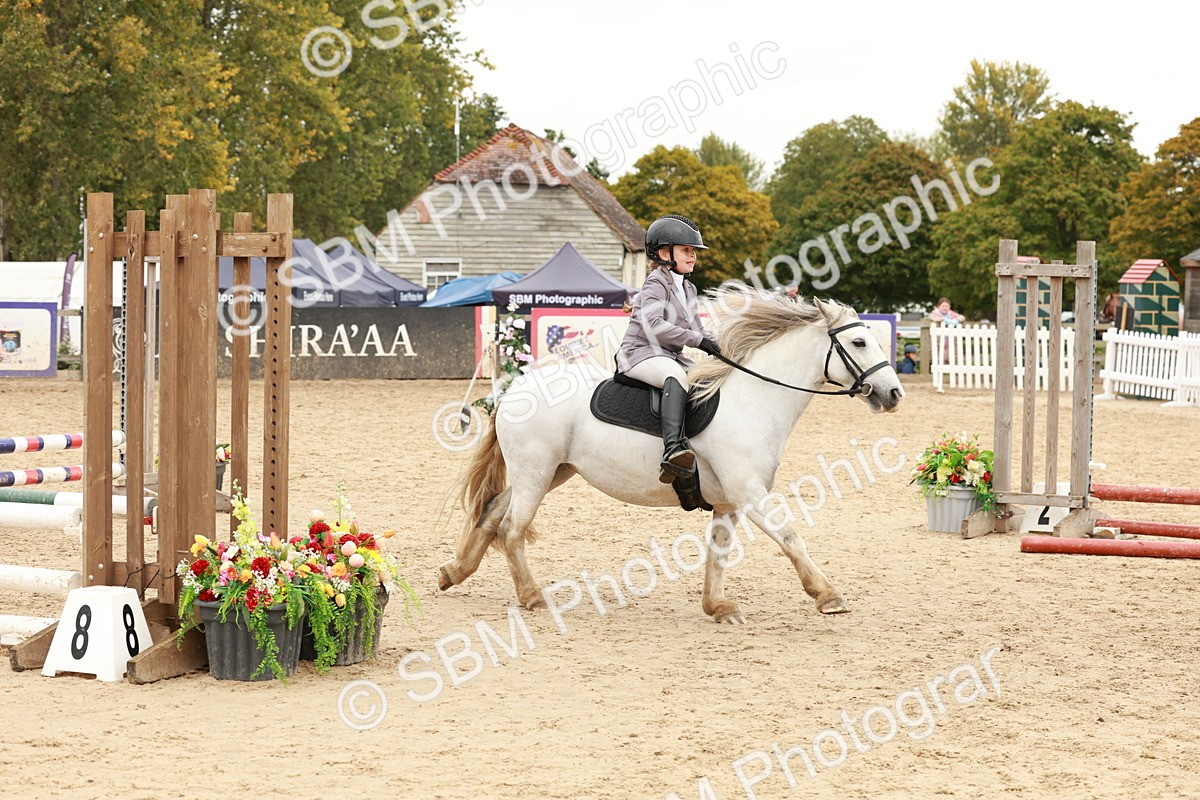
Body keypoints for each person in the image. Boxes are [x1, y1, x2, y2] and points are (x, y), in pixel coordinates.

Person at [617, 215, 720, 483]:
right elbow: (653, 325)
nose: (693, 256)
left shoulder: (688, 287)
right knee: (675, 377)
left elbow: (698, 328)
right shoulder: (655, 283)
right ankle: (673, 449)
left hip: (669, 354)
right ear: (664, 253)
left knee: (707, 377)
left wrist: (720, 346)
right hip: (639, 353)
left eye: (694, 251)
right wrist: (697, 341)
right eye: (686, 250)